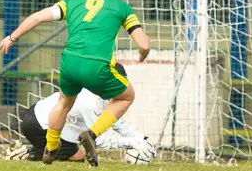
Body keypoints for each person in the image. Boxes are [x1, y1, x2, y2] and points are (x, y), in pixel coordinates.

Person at [0, 0, 151, 167]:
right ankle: (92, 134)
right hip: (97, 65)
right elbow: (144, 44)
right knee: (126, 96)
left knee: (64, 102)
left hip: (69, 62)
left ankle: (51, 147)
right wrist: (142, 55)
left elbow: (37, 17)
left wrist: (12, 37)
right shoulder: (122, 8)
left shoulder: (72, 3)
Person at [18, 64, 155, 162]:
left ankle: (34, 150)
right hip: (37, 123)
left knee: (74, 154)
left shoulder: (102, 94)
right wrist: (131, 143)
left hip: (38, 115)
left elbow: (117, 122)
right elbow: (97, 139)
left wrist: (142, 139)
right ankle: (28, 154)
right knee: (77, 158)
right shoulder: (91, 101)